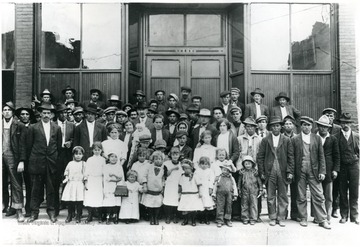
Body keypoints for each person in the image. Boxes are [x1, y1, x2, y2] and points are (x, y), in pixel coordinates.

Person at [24, 103, 62, 223]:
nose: (46, 115)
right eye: (44, 113)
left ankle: (51, 212)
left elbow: (59, 147)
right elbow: (29, 146)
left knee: (51, 188)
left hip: (51, 163)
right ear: (40, 114)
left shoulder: (57, 128)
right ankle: (34, 212)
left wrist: (55, 159)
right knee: (36, 189)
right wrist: (31, 162)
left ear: (51, 115)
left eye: (48, 113)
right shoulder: (33, 128)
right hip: (37, 162)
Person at [291, 116, 331, 229]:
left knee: (318, 195)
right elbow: (292, 157)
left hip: (314, 170)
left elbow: (321, 156)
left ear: (312, 126)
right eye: (304, 124)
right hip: (300, 170)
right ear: (301, 126)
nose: (306, 127)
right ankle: (303, 218)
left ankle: (322, 219)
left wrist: (322, 171)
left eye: (308, 125)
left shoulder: (316, 138)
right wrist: (292, 172)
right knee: (301, 195)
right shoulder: (295, 139)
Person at [257, 116, 294, 227]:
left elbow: (290, 157)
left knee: (283, 195)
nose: (275, 128)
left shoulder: (286, 140)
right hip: (270, 170)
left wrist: (290, 171)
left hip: (282, 170)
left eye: (277, 125)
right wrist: (262, 171)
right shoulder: (265, 140)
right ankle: (272, 217)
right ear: (270, 127)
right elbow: (261, 157)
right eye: (273, 126)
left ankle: (281, 217)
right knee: (270, 196)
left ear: (281, 127)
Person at [311, 115, 340, 224]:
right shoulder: (313, 137)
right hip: (315, 169)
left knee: (328, 195)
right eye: (321, 126)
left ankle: (327, 216)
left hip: (328, 170)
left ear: (328, 128)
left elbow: (336, 156)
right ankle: (316, 216)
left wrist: (335, 170)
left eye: (325, 127)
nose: (323, 129)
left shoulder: (332, 139)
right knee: (317, 194)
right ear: (318, 126)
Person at [2, 102, 26, 222]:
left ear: (12, 112)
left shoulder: (18, 125)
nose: (6, 111)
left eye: (9, 110)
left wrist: (21, 161)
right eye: (4, 109)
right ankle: (7, 207)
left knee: (16, 184)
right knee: (2, 184)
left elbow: (22, 145)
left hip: (13, 157)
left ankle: (18, 210)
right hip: (1, 156)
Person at [334, 113, 359, 225]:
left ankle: (354, 216)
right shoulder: (336, 137)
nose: (346, 125)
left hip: (354, 166)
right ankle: (344, 215)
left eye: (348, 122)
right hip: (342, 167)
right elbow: (335, 154)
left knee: (354, 191)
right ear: (340, 124)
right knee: (342, 191)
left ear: (351, 124)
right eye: (343, 122)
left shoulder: (357, 136)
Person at [54, 103, 75, 216]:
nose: (64, 114)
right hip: (56, 154)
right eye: (61, 112)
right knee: (56, 179)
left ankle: (65, 200)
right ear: (57, 114)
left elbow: (74, 138)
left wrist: (70, 142)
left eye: (65, 112)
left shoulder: (72, 125)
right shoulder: (53, 124)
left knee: (67, 178)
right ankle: (56, 203)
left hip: (67, 154)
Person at [15, 105, 34, 217]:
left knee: (29, 184)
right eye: (22, 114)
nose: (24, 116)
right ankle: (15, 207)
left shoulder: (33, 127)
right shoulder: (15, 127)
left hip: (29, 160)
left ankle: (29, 208)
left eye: (27, 114)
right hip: (15, 158)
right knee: (16, 185)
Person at [61, 146, 85, 223]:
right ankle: (70, 215)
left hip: (79, 184)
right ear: (73, 155)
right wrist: (67, 177)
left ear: (82, 155)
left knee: (79, 200)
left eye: (80, 154)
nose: (78, 156)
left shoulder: (83, 164)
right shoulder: (70, 163)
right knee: (71, 200)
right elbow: (66, 172)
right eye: (76, 154)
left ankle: (78, 215)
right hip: (71, 184)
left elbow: (85, 173)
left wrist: (85, 180)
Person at [83, 142, 106, 223]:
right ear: (92, 150)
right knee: (90, 197)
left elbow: (104, 172)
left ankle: (99, 215)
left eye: (98, 150)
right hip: (91, 180)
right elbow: (86, 171)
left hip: (99, 180)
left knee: (99, 197)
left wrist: (104, 182)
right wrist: (86, 181)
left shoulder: (103, 160)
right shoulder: (89, 159)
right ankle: (90, 215)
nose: (97, 151)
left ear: (101, 150)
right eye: (95, 150)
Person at [141, 151, 165, 225]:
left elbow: (164, 179)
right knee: (150, 205)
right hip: (150, 189)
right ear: (153, 160)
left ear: (162, 160)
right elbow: (144, 176)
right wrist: (145, 185)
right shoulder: (148, 167)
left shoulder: (163, 168)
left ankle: (156, 217)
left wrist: (163, 187)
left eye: (160, 159)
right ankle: (151, 217)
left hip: (158, 190)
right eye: (156, 159)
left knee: (157, 204)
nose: (158, 160)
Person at [178, 159, 204, 226]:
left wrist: (200, 192)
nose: (186, 170)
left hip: (193, 195)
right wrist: (179, 194)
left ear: (191, 168)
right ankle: (185, 220)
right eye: (185, 168)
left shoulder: (195, 176)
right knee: (185, 208)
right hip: (185, 195)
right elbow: (180, 186)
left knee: (193, 208)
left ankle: (193, 220)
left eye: (188, 168)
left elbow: (199, 184)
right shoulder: (182, 176)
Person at [212, 160, 238, 227]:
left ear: (229, 171)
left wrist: (235, 194)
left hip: (229, 194)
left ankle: (228, 219)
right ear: (221, 169)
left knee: (228, 206)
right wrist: (214, 193)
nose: (225, 171)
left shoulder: (231, 178)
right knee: (220, 206)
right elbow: (215, 185)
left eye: (227, 170)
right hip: (220, 194)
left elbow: (234, 186)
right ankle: (220, 220)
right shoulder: (219, 177)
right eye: (224, 170)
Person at [238, 156, 263, 225]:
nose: (248, 165)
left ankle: (253, 218)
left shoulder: (255, 172)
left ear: (252, 164)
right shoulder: (242, 172)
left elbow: (259, 181)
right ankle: (245, 218)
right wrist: (239, 189)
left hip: (254, 191)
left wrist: (261, 189)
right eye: (246, 164)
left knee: (253, 205)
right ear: (243, 165)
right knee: (244, 205)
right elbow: (239, 181)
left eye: (249, 164)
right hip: (244, 191)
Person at [102, 151, 124, 224]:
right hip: (108, 186)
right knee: (109, 202)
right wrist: (114, 179)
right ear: (108, 158)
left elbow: (120, 177)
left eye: (115, 157)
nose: (114, 158)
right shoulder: (106, 166)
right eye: (112, 156)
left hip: (116, 186)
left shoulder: (119, 166)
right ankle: (108, 216)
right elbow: (106, 178)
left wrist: (114, 177)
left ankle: (115, 216)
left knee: (116, 202)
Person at [163, 147, 183, 224]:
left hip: (177, 184)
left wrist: (180, 186)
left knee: (176, 200)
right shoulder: (166, 164)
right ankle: (168, 216)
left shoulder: (181, 164)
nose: (175, 156)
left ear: (179, 155)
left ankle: (175, 216)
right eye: (173, 154)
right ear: (170, 155)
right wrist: (172, 169)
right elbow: (165, 174)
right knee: (168, 200)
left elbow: (183, 175)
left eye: (177, 154)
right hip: (169, 184)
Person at [194, 156, 215, 224]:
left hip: (206, 188)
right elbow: (195, 179)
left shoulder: (210, 171)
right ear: (199, 164)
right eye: (202, 164)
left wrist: (210, 188)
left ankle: (207, 218)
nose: (204, 166)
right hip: (200, 188)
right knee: (200, 203)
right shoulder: (197, 170)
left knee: (207, 203)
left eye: (206, 164)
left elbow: (212, 180)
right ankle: (201, 218)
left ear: (208, 165)